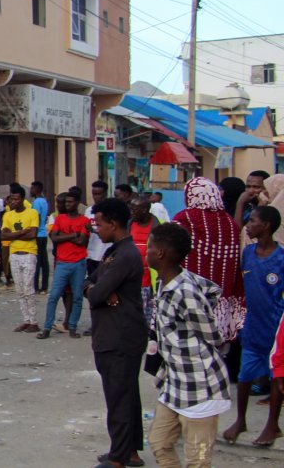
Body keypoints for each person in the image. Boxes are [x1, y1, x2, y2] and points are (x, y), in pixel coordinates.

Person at [145, 222, 231, 468]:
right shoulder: (166, 282)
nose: (146, 251)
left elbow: (213, 335)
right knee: (159, 442)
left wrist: (188, 341)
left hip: (200, 385)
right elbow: (213, 289)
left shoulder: (185, 292)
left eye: (150, 247)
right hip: (175, 383)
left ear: (160, 253)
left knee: (198, 460)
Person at [87, 198, 147, 468]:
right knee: (126, 394)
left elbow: (96, 292)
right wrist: (96, 289)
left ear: (113, 224)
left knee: (119, 398)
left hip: (120, 335)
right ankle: (129, 451)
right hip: (113, 333)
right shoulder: (113, 252)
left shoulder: (125, 255)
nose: (96, 229)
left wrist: (99, 290)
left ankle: (118, 459)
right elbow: (90, 283)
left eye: (99, 224)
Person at [222, 205, 284, 447]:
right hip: (252, 326)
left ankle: (272, 425)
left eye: (253, 220)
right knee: (244, 375)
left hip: (275, 329)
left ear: (266, 226)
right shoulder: (247, 253)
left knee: (276, 378)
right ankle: (240, 420)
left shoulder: (280, 259)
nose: (248, 225)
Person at [171, 177, 244, 365]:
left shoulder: (184, 218)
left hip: (190, 296)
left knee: (188, 354)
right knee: (215, 356)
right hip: (221, 299)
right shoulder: (229, 223)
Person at [37, 191, 87, 339]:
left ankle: (72, 327)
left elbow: (82, 241)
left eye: (71, 202)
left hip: (78, 263)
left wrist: (62, 237)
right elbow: (54, 238)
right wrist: (73, 235)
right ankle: (47, 327)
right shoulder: (60, 219)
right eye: (66, 202)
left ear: (78, 203)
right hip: (62, 262)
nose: (67, 205)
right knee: (54, 296)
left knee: (77, 297)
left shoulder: (84, 221)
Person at [2, 186, 40, 333]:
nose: (14, 201)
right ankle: (26, 320)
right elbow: (4, 235)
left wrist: (14, 234)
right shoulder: (8, 216)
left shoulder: (32, 213)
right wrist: (23, 231)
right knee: (19, 289)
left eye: (17, 199)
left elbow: (32, 235)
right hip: (14, 254)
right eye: (12, 199)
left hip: (29, 253)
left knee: (28, 289)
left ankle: (34, 321)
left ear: (23, 199)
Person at [129, 197, 156, 334]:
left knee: (148, 310)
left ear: (144, 210)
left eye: (134, 209)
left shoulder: (158, 225)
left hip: (149, 277)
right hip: (132, 275)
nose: (131, 211)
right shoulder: (130, 224)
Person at [85, 181, 110, 278]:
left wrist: (93, 230)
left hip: (106, 254)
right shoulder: (89, 211)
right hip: (91, 254)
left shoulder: (111, 210)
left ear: (105, 194)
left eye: (99, 194)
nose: (96, 197)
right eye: (94, 194)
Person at [30, 180, 50, 294]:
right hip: (43, 234)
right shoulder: (44, 201)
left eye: (32, 189)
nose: (31, 191)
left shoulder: (37, 202)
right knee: (44, 261)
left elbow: (36, 217)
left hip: (37, 234)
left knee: (36, 261)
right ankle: (45, 286)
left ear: (37, 189)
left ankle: (36, 287)